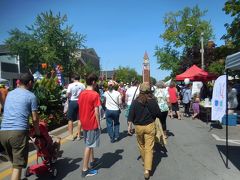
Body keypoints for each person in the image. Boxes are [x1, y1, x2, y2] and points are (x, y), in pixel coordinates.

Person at [0, 73, 40, 180]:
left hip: (3, 132)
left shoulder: (10, 94)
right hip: (18, 133)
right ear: (30, 82)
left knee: (15, 163)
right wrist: (38, 134)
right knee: (18, 166)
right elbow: (35, 118)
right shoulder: (31, 96)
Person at [128, 82, 162, 180]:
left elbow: (131, 114)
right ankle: (147, 170)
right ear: (149, 91)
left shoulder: (135, 101)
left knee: (141, 145)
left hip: (138, 127)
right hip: (150, 126)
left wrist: (129, 126)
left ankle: (144, 160)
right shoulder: (152, 101)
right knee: (149, 148)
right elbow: (158, 113)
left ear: (140, 90)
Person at [78, 73, 101, 177]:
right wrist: (99, 124)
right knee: (89, 145)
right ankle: (85, 169)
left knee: (89, 142)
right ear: (93, 82)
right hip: (91, 122)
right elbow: (97, 111)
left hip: (84, 121)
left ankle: (92, 160)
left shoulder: (81, 93)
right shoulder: (95, 94)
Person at [66, 75, 85, 141]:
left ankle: (71, 136)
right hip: (80, 101)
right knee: (79, 118)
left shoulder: (70, 85)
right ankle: (79, 135)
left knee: (70, 119)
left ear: (73, 78)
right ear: (79, 78)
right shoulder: (82, 85)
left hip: (72, 102)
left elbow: (67, 94)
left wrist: (68, 96)